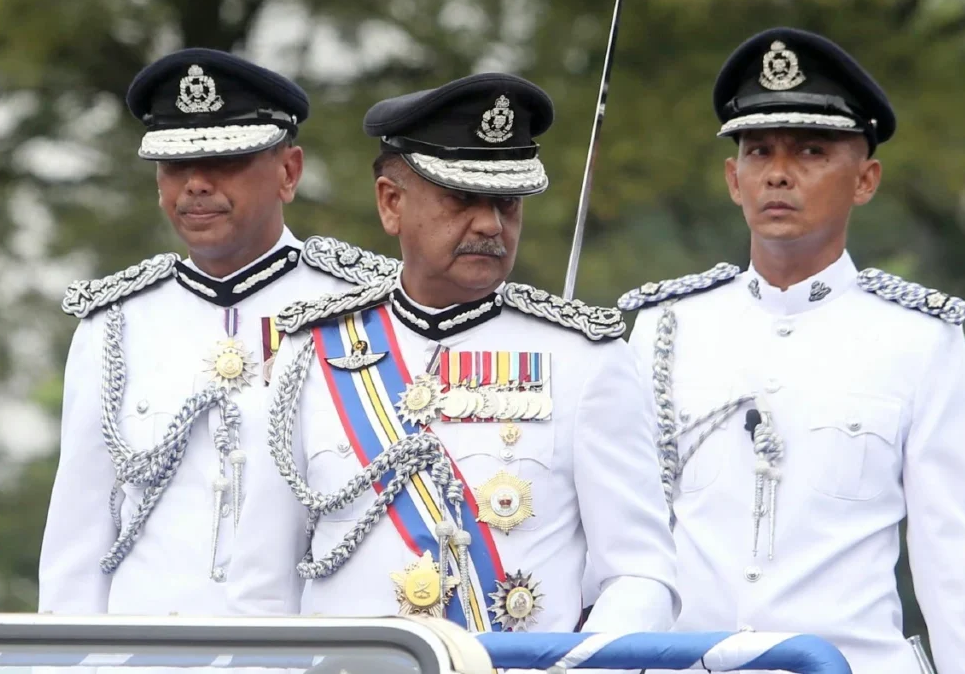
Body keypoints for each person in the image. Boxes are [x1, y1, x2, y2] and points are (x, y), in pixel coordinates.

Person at [225, 72, 680, 635]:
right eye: (461, 199)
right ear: (391, 204)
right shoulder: (310, 353)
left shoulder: (584, 359)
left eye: (507, 202)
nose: (490, 224)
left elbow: (640, 574)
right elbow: (262, 588)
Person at [618, 27, 965, 673]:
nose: (778, 173)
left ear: (865, 179)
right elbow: (624, 540)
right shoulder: (666, 325)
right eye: (758, 151)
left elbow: (952, 563)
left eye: (810, 151)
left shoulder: (918, 339)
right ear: (733, 179)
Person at [38, 47, 398, 616]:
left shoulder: (363, 307)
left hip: (310, 645)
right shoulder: (116, 322)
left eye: (225, 161)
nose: (196, 185)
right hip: (147, 648)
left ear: (288, 172)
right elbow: (78, 537)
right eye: (176, 165)